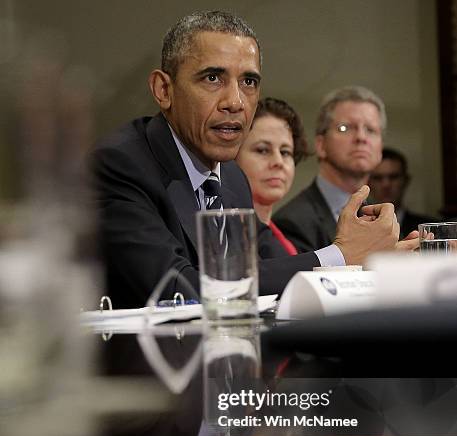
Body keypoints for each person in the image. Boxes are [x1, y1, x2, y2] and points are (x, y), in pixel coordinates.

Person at [92, 12, 408, 309]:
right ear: (164, 89)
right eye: (213, 78)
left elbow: (274, 266)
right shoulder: (120, 165)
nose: (235, 102)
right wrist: (342, 255)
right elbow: (180, 290)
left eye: (249, 82)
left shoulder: (230, 177)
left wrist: (387, 258)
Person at [273, 86, 404, 253]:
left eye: (370, 130)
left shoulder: (382, 217)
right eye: (345, 128)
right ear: (321, 145)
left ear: (380, 149)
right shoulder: (292, 222)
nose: (361, 138)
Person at [236, 97, 307, 255]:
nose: (278, 162)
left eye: (285, 152)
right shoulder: (224, 237)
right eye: (262, 150)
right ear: (233, 155)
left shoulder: (285, 242)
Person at [368, 147, 438, 237]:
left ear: (406, 180)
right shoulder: (357, 229)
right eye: (378, 178)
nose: (386, 184)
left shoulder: (430, 229)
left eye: (393, 177)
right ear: (368, 183)